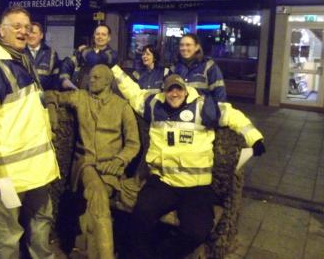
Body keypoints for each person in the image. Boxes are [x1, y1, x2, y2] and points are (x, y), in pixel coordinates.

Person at [110, 65, 265, 259]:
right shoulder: (153, 105)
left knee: (197, 231)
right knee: (140, 216)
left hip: (196, 187)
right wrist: (114, 68)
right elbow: (133, 93)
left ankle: (161, 254)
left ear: (185, 90)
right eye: (170, 90)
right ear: (164, 91)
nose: (174, 94)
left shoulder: (203, 106)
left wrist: (254, 138)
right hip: (163, 182)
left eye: (178, 89)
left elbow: (231, 115)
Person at [0, 6, 60, 259]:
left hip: (36, 171)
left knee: (42, 221)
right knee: (8, 238)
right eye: (16, 26)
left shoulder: (24, 60)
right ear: (1, 30)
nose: (23, 31)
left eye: (27, 27)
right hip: (7, 175)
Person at [46, 64, 140, 259]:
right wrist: (52, 109)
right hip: (85, 164)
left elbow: (133, 143)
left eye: (97, 77)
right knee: (97, 193)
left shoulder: (122, 106)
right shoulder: (80, 97)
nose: (92, 80)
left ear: (108, 81)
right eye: (91, 77)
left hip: (111, 170)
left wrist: (120, 159)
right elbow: (50, 95)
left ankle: (89, 249)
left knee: (98, 201)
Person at [59, 24, 118, 90]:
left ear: (109, 38)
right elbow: (68, 62)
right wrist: (64, 78)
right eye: (97, 34)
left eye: (103, 34)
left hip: (101, 94)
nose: (100, 37)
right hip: (81, 91)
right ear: (94, 36)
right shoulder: (88, 50)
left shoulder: (112, 54)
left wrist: (84, 50)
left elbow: (95, 60)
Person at [172, 33, 227, 102]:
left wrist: (217, 111)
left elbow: (219, 94)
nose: (184, 48)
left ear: (197, 47)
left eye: (188, 45)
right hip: (180, 112)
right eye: (181, 45)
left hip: (203, 111)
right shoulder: (175, 67)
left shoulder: (209, 66)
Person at [24, 22, 60, 90]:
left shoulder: (52, 53)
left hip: (45, 97)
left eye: (34, 33)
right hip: (24, 97)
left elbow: (56, 80)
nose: (30, 36)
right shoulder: (19, 53)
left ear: (41, 35)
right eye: (28, 33)